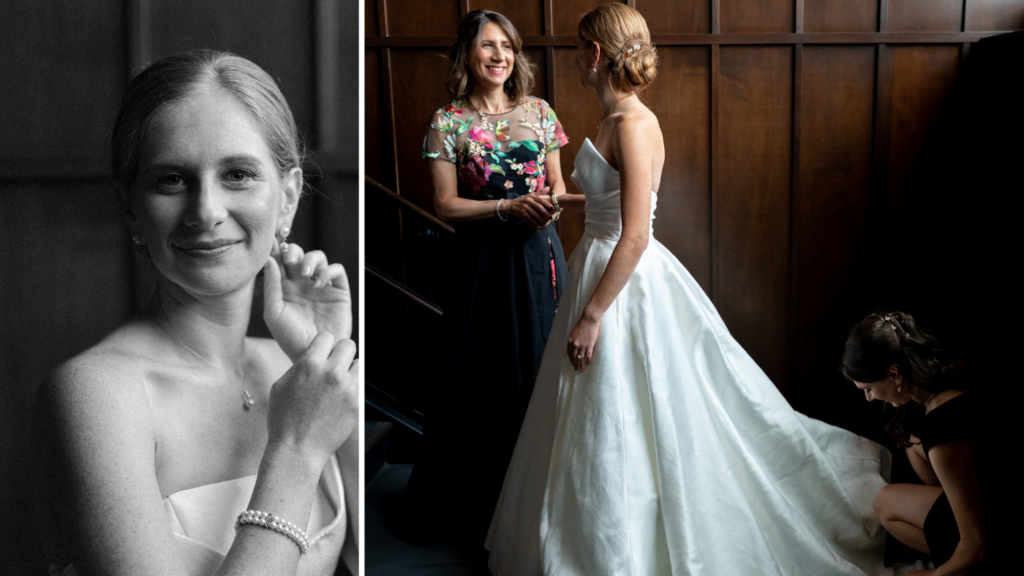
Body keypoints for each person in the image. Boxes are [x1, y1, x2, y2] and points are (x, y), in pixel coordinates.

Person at [487, 4, 896, 575]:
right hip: (597, 262)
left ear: (597, 55)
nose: (575, 58)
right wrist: (566, 202)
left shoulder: (632, 124)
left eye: (579, 49)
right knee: (593, 411)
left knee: (632, 407)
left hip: (620, 280)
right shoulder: (614, 120)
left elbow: (635, 234)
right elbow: (613, 204)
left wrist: (592, 315)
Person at [30, 51, 359, 576]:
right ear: (132, 207)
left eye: (237, 174)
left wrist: (329, 357)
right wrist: (295, 451)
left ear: (289, 198)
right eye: (172, 180)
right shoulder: (95, 393)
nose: (206, 211)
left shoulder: (294, 371)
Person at [406, 9, 571, 544]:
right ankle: (478, 508)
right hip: (479, 263)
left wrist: (552, 208)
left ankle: (539, 502)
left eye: (507, 46)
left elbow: (557, 189)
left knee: (541, 369)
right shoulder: (447, 121)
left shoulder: (541, 112)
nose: (499, 55)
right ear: (467, 56)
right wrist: (505, 209)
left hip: (538, 255)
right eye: (487, 46)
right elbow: (444, 205)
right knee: (478, 374)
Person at [843, 311, 990, 575]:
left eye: (868, 388)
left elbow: (977, 546)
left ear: (894, 373)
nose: (869, 398)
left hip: (986, 536)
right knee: (890, 492)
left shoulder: (943, 431)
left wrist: (932, 575)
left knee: (886, 502)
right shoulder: (950, 386)